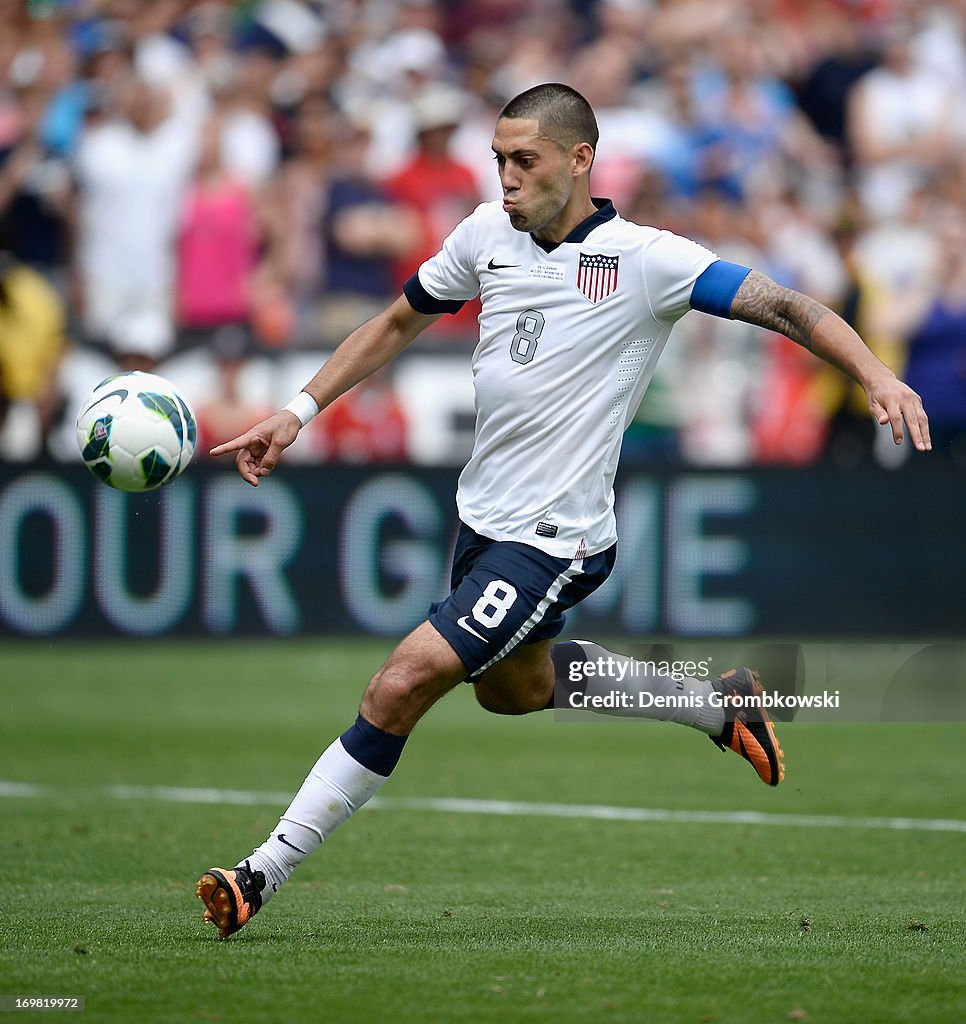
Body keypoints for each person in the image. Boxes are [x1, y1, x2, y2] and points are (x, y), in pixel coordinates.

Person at [197, 83, 931, 939]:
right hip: (483, 521)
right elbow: (398, 321)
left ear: (581, 159)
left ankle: (261, 871)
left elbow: (789, 307)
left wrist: (877, 375)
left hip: (556, 537)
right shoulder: (484, 235)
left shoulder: (646, 259)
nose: (505, 178)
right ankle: (721, 707)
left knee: (402, 681)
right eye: (499, 160)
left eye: (524, 161)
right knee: (516, 692)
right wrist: (299, 408)